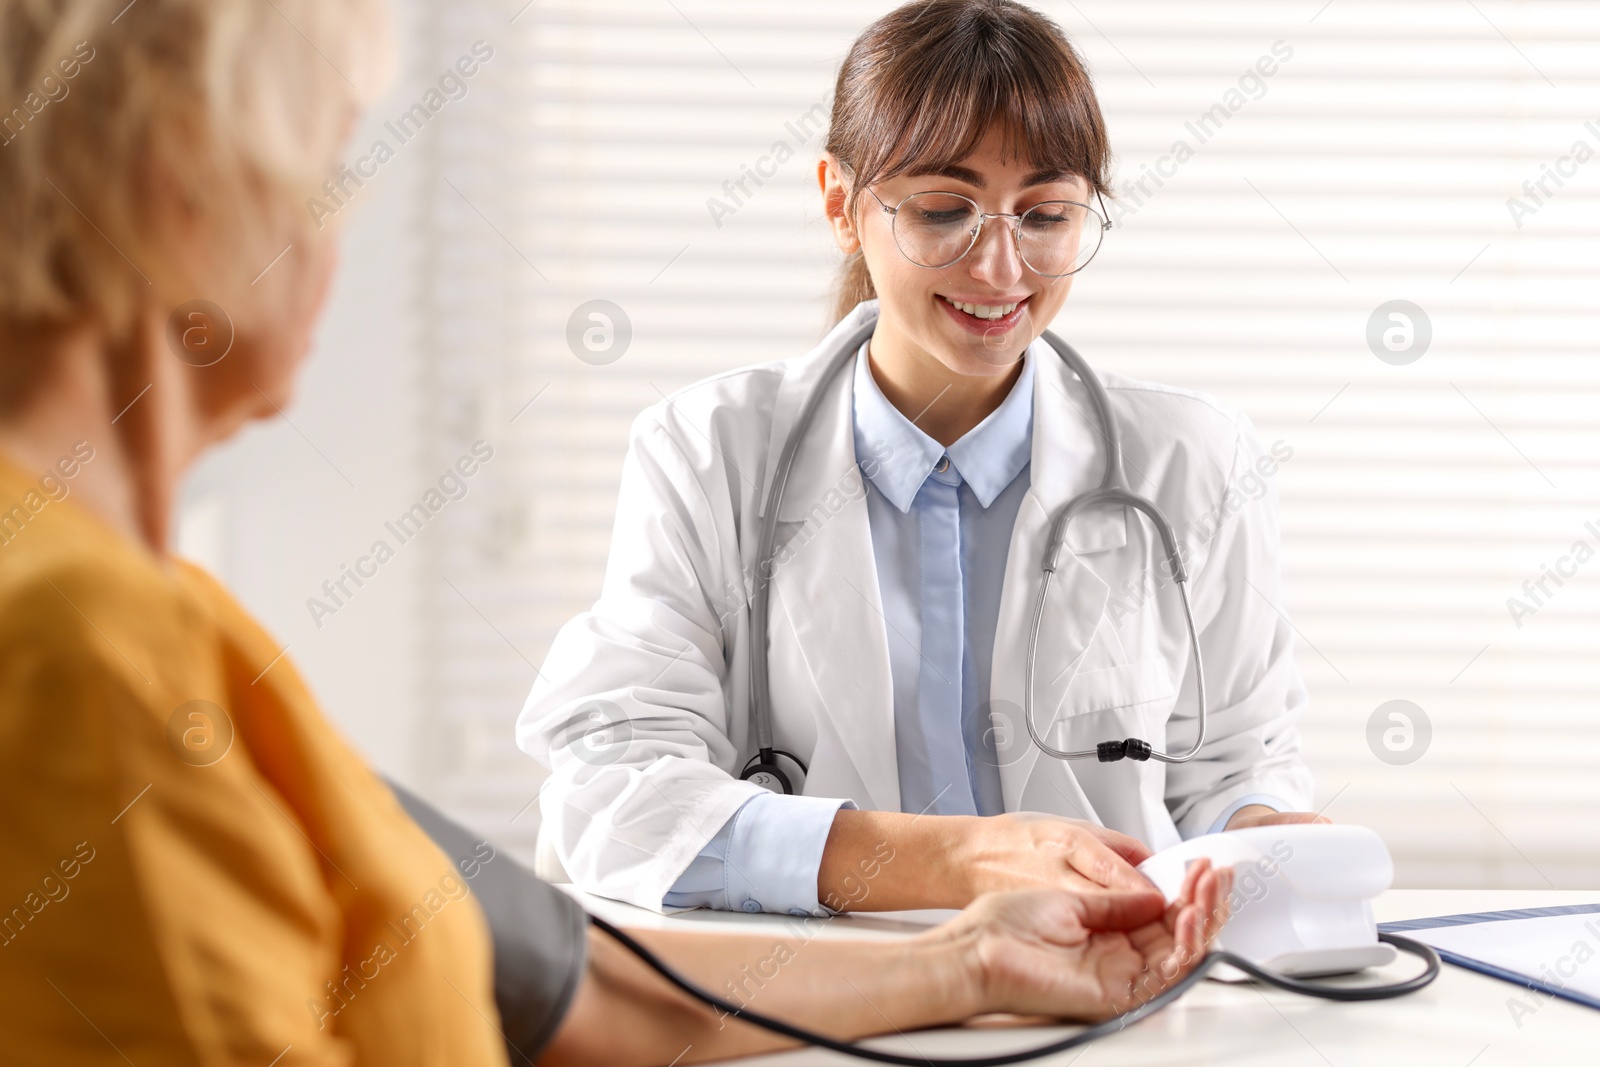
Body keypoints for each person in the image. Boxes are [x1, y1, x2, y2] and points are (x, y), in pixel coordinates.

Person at [0, 1, 1231, 1064]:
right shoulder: (78, 649)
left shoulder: (165, 620)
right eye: (325, 167)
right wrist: (950, 867)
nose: (340, 229)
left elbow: (568, 984)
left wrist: (969, 962)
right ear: (180, 186)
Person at [520, 0, 1325, 920]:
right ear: (838, 202)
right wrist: (965, 862)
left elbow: (1232, 768)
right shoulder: (707, 451)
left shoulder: (1196, 461)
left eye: (1046, 214)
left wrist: (1269, 838)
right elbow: (613, 791)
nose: (999, 266)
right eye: (945, 210)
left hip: (1108, 985)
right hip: (833, 994)